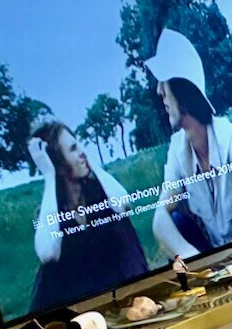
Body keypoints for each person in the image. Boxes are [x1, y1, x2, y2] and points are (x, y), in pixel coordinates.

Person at [146, 29, 232, 258]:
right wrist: (194, 258)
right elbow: (160, 218)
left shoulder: (224, 132)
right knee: (175, 220)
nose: (159, 91)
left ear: (181, 88)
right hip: (208, 253)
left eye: (164, 83)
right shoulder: (177, 148)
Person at [26, 115, 150, 314]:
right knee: (49, 265)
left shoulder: (97, 192)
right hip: (77, 293)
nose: (82, 152)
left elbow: (124, 205)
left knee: (121, 224)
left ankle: (143, 295)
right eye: (73, 149)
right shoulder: (51, 208)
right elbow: (48, 253)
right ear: (57, 163)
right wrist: (49, 175)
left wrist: (89, 161)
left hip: (113, 278)